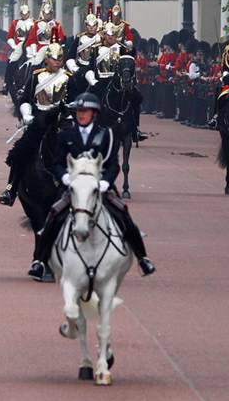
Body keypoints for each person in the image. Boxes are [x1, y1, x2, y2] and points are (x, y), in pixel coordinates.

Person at [30, 93, 157, 281]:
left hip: (99, 185)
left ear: (94, 114)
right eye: (79, 111)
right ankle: (40, 262)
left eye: (85, 111)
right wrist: (64, 177)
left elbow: (113, 163)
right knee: (53, 216)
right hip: (72, 186)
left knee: (123, 214)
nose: (81, 115)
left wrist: (105, 181)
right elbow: (57, 162)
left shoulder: (105, 135)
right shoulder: (66, 135)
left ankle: (142, 258)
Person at [0, 42, 75, 206]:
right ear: (47, 59)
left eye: (60, 59)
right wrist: (26, 114)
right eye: (54, 59)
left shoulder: (68, 78)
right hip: (40, 119)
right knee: (21, 151)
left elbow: (75, 101)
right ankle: (11, 189)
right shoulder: (36, 75)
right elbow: (25, 99)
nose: (58, 62)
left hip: (61, 120)